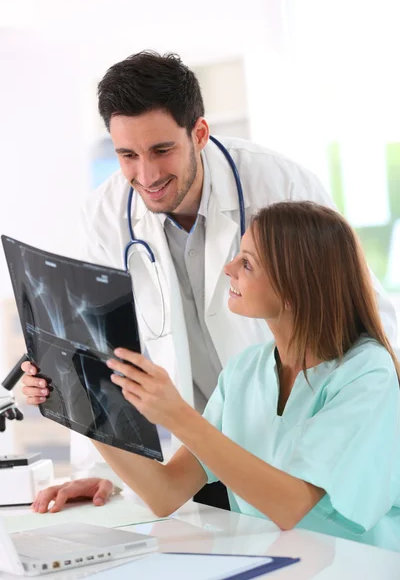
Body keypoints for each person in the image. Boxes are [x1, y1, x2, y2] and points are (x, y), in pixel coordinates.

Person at [21, 51, 397, 511]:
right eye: (127, 155)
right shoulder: (243, 378)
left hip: (298, 477)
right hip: (208, 454)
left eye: (162, 150)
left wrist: (378, 424)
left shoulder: (278, 185)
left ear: (198, 133)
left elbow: (356, 301)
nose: (147, 174)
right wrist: (78, 409)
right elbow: (163, 488)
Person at [30, 202, 400, 550]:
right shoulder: (245, 370)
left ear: (294, 288)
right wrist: (79, 398)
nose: (228, 268)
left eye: (248, 263)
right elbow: (165, 493)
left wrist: (176, 414)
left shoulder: (367, 374)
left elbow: (293, 507)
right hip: (280, 562)